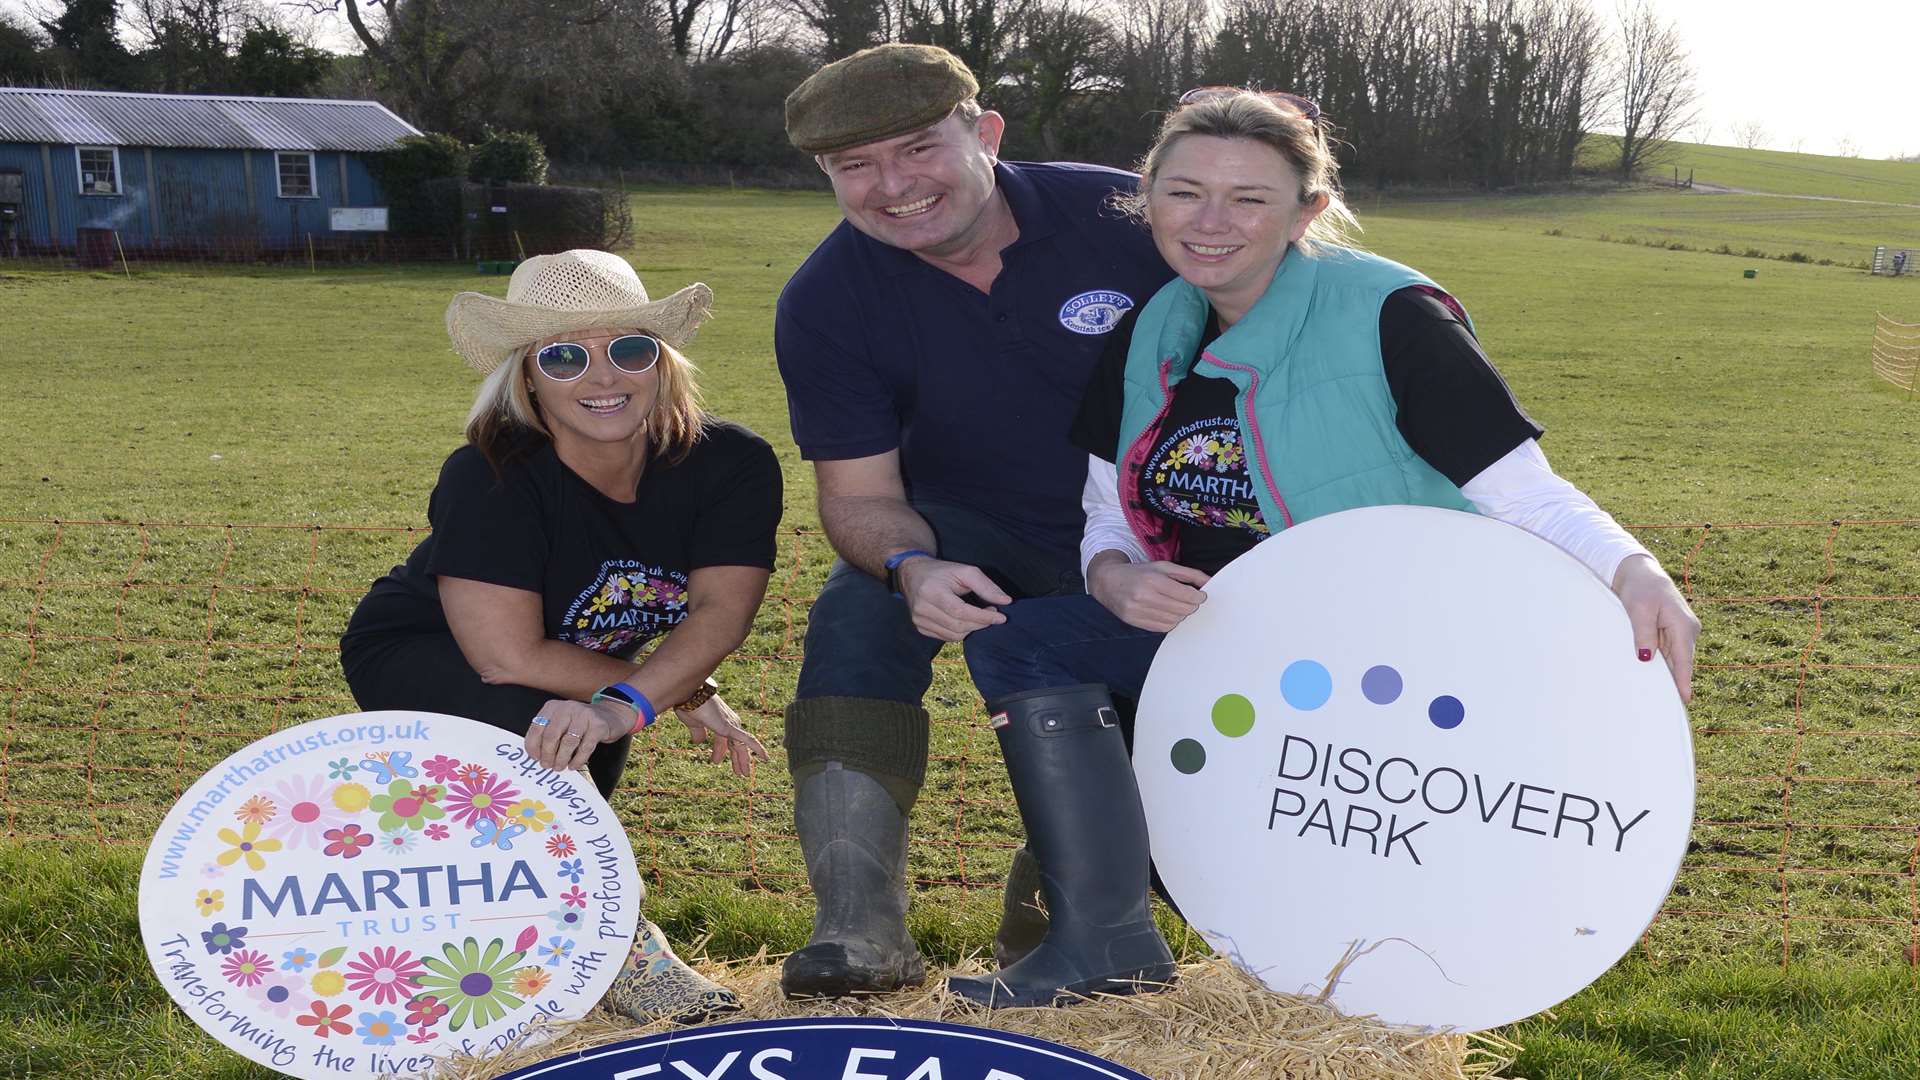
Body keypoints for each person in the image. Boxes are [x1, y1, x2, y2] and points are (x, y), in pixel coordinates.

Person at [951, 89, 1704, 1008]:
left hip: (1383, 651)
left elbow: (1521, 493)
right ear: (1145, 198)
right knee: (1024, 640)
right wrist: (1113, 578)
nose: (1211, 223)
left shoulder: (1391, 316)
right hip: (1226, 635)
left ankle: (1216, 909)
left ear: (1309, 209)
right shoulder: (1152, 327)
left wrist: (1635, 569)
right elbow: (1104, 511)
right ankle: (1103, 944)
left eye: (1250, 199)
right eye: (1184, 193)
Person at [773, 44, 1175, 999]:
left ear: (984, 133)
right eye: (854, 166)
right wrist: (911, 567)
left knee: (1158, 706)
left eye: (918, 149)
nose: (893, 186)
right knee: (856, 618)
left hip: (1164, 522)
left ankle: (1062, 933)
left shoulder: (1125, 215)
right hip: (974, 524)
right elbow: (861, 498)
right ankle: (860, 932)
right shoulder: (826, 300)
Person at [338, 249, 784, 1023]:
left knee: (558, 792)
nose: (603, 377)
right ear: (527, 375)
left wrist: (642, 698)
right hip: (426, 645)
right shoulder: (491, 475)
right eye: (566, 355)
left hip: (581, 666)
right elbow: (505, 656)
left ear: (662, 361)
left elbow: (720, 613)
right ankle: (623, 954)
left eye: (630, 349)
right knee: (538, 748)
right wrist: (665, 695)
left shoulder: (732, 464)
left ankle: (542, 954)